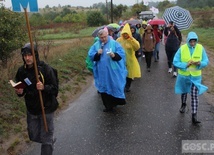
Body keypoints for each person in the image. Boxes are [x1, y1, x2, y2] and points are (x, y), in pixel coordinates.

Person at [14, 43, 58, 154]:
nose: (27, 58)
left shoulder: (45, 69)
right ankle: (50, 139)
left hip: (46, 108)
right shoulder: (21, 71)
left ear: (35, 55)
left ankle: (48, 141)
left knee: (46, 140)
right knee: (33, 135)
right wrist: (20, 91)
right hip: (32, 109)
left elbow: (55, 89)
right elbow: (20, 90)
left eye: (30, 55)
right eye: (25, 55)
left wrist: (44, 87)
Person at [173, 31, 209, 124]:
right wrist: (185, 64)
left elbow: (206, 61)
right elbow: (175, 62)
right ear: (188, 40)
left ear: (196, 41)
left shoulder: (200, 48)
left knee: (194, 95)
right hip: (184, 76)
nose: (192, 43)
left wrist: (200, 63)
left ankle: (194, 115)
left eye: (194, 41)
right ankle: (183, 104)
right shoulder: (182, 48)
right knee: (184, 92)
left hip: (195, 77)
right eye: (191, 41)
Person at [88, 29, 127, 112]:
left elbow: (121, 54)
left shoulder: (114, 43)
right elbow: (91, 56)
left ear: (108, 35)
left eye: (105, 37)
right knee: (104, 88)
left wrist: (114, 55)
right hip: (102, 72)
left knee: (115, 85)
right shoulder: (96, 45)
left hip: (113, 71)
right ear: (99, 37)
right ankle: (108, 106)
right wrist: (97, 54)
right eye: (101, 38)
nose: (104, 39)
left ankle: (116, 102)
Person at [117, 23, 141, 92]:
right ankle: (123, 85)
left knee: (129, 74)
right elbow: (115, 47)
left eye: (126, 33)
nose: (125, 35)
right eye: (124, 33)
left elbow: (137, 47)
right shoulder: (119, 40)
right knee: (121, 73)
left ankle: (127, 86)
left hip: (130, 60)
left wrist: (132, 40)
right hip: (121, 60)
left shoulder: (131, 40)